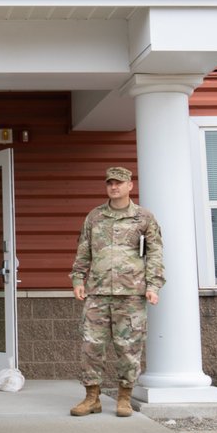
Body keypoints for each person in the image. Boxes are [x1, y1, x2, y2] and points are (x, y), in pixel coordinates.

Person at [70, 166, 165, 418]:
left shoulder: (143, 218)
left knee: (128, 347)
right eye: (110, 183)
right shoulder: (95, 217)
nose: (114, 187)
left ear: (130, 186)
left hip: (131, 294)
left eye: (119, 183)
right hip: (98, 292)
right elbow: (84, 250)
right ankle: (92, 397)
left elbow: (155, 253)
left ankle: (124, 397)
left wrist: (153, 285)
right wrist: (78, 278)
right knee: (91, 346)